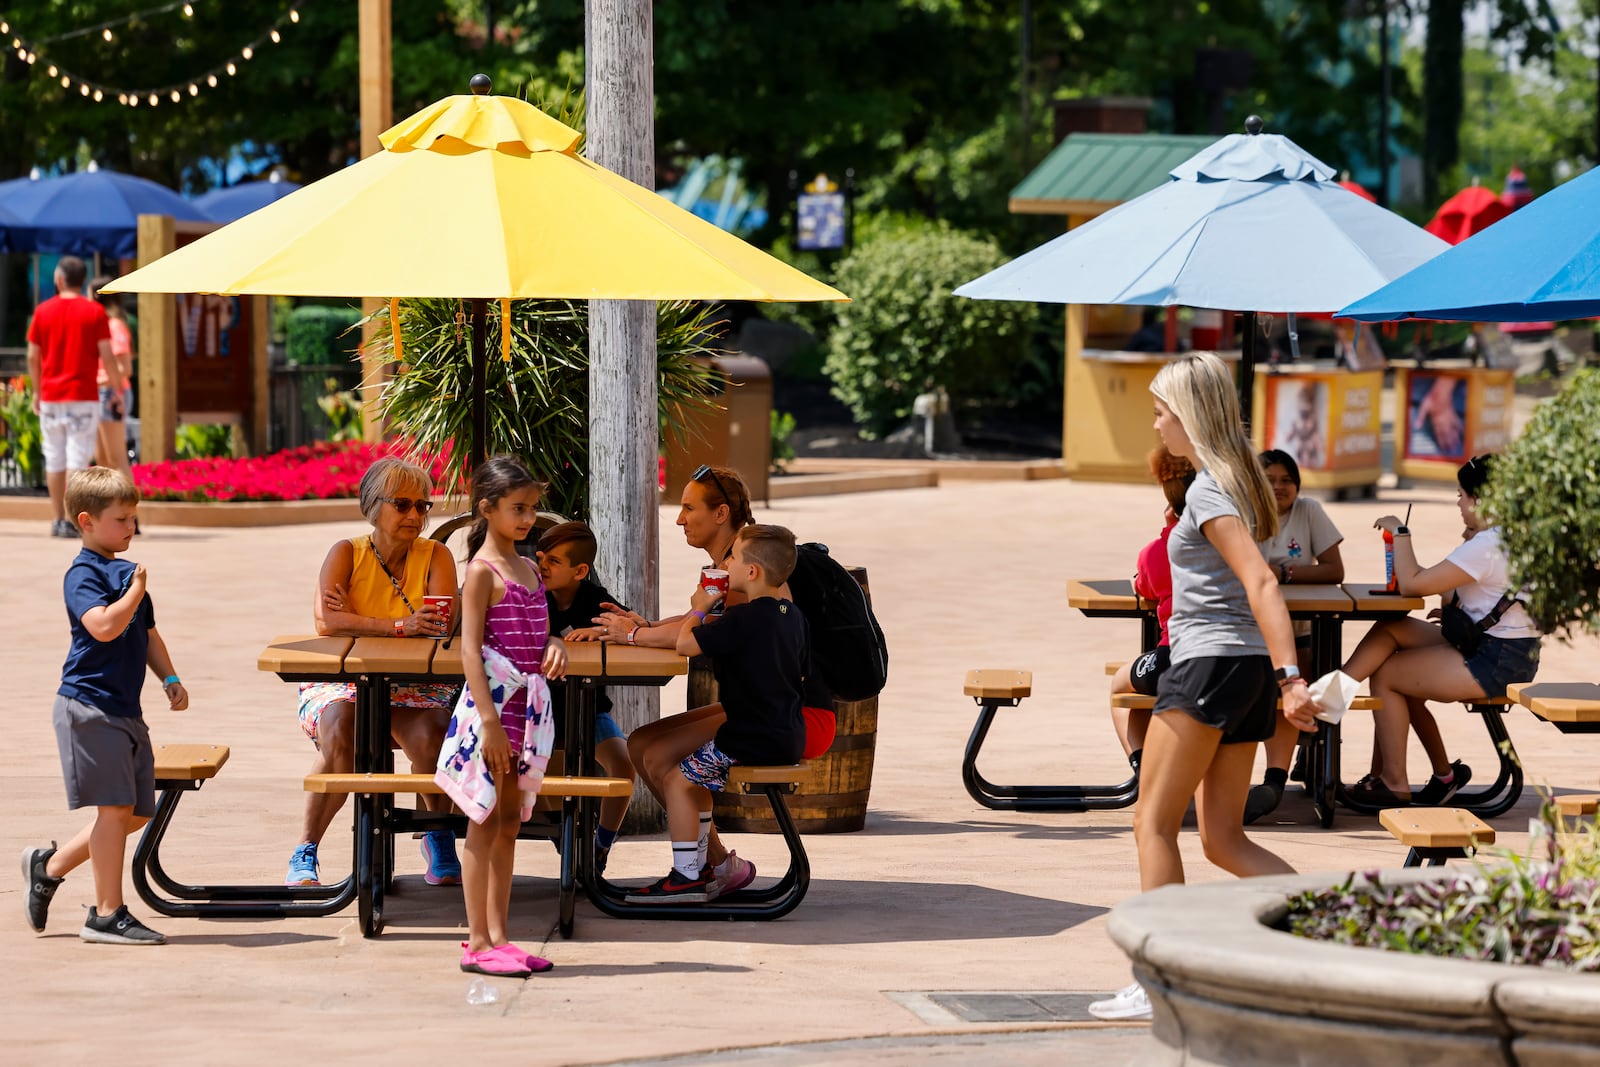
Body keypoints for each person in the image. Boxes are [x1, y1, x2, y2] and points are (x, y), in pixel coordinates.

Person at [1089, 353, 1315, 1023]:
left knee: (1152, 822)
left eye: (1162, 409)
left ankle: (1162, 976)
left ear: (1188, 414)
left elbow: (1262, 582)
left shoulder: (1211, 489)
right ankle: (1327, 922)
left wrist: (1293, 679)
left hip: (1209, 665)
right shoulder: (1236, 481)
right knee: (1222, 837)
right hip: (1238, 670)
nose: (1155, 420)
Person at [600, 463, 830, 895]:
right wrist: (646, 625)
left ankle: (706, 867)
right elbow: (703, 621)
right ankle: (713, 862)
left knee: (663, 759)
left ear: (721, 513)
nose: (680, 518)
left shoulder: (744, 576)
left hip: (790, 715)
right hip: (769, 706)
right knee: (642, 744)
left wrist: (633, 634)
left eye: (689, 507)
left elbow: (702, 631)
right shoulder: (737, 568)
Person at [22, 467, 191, 944]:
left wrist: (170, 678)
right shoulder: (85, 573)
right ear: (86, 521)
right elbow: (102, 626)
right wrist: (134, 590)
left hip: (124, 710)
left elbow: (147, 633)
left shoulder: (122, 571)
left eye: (134, 518)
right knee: (115, 808)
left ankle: (48, 866)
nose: (130, 528)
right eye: (121, 520)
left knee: (137, 812)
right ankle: (106, 914)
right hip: (88, 705)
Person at [286, 457, 461, 887]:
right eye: (402, 504)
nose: (415, 515)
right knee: (341, 730)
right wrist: (401, 626)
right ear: (373, 506)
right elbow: (327, 622)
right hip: (345, 681)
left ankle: (437, 833)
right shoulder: (346, 553)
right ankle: (306, 849)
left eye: (423, 506)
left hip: (414, 684)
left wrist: (360, 622)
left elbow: (437, 623)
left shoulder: (436, 555)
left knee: (432, 734)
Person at [1339, 455, 1541, 807]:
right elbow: (1440, 587)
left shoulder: (1489, 544)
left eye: (1462, 495)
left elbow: (1413, 586)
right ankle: (1336, 691)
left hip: (1495, 658)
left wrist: (1400, 533)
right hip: (1499, 648)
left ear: (1481, 498)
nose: (1459, 503)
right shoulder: (1508, 537)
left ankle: (1393, 781)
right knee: (1393, 629)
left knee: (1387, 675)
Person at [624, 524, 808, 902]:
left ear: (752, 572)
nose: (726, 563)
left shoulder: (746, 619)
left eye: (733, 557)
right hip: (786, 731)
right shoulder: (792, 616)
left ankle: (685, 877)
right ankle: (702, 868)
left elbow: (686, 643)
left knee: (677, 779)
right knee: (691, 778)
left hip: (748, 737)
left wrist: (701, 604)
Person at [445, 456, 567, 978]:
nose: (526, 518)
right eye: (517, 508)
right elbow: (470, 651)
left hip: (527, 711)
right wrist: (490, 723)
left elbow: (539, 634)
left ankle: (500, 935)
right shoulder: (481, 573)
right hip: (494, 713)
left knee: (511, 824)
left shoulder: (531, 569)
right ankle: (476, 942)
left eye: (532, 509)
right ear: (487, 508)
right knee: (485, 820)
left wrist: (557, 642)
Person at [1243, 449, 1346, 824]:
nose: (1279, 487)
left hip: (1303, 630)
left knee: (1299, 680)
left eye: (1286, 479)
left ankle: (1280, 775)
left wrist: (1283, 575)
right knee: (1264, 686)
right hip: (1251, 633)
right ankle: (1260, 777)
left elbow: (1334, 570)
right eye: (1269, 480)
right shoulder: (1241, 513)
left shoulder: (1309, 511)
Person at [535, 520, 637, 873]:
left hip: (588, 711)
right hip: (539, 714)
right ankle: (565, 840)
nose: (543, 566)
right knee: (541, 774)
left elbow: (626, 627)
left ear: (580, 571)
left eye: (554, 561)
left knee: (624, 766)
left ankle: (600, 845)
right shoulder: (531, 597)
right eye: (541, 557)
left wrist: (601, 632)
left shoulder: (597, 599)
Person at [1107, 446, 1196, 777]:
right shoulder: (1232, 541)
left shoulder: (1157, 551)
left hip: (1174, 657)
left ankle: (1143, 768)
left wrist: (1166, 529)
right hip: (1235, 657)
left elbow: (1142, 588)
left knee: (1121, 685)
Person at [26, 255, 122, 538]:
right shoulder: (94, 312)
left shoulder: (42, 311)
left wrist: (37, 391)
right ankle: (72, 520)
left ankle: (57, 519)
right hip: (83, 395)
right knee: (77, 459)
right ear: (82, 281)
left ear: (59, 280)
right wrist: (116, 388)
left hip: (52, 396)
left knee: (54, 458)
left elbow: (33, 356)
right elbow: (108, 354)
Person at [89, 276, 135, 480]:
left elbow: (124, 368)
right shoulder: (104, 324)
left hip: (112, 393)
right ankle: (112, 510)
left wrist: (95, 380)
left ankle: (131, 511)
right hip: (102, 392)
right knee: (103, 462)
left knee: (116, 459)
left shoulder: (114, 325)